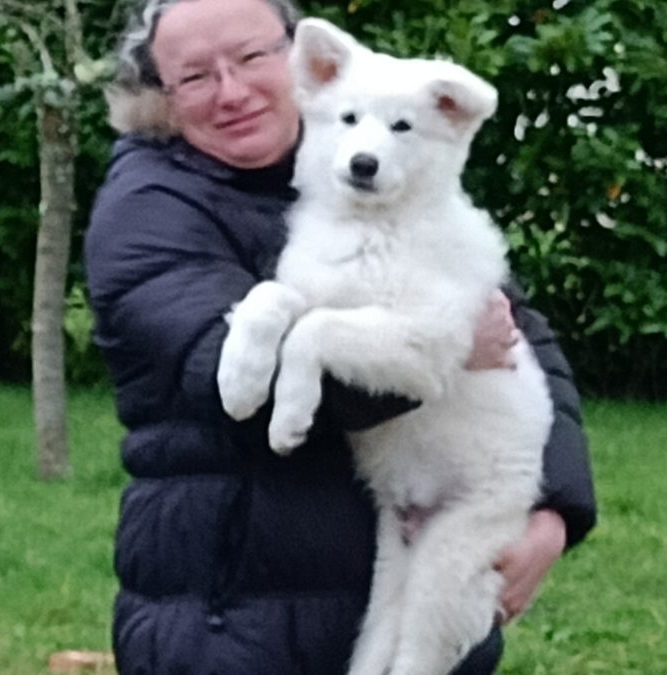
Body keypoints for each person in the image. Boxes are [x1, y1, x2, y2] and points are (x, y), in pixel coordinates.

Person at [84, 0, 597, 672]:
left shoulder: (382, 169)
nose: (232, 91)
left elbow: (519, 338)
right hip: (235, 618)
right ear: (162, 96)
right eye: (197, 77)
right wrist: (435, 348)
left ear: (294, 56)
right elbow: (235, 380)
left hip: (409, 578)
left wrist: (553, 506)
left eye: (249, 58)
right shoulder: (149, 209)